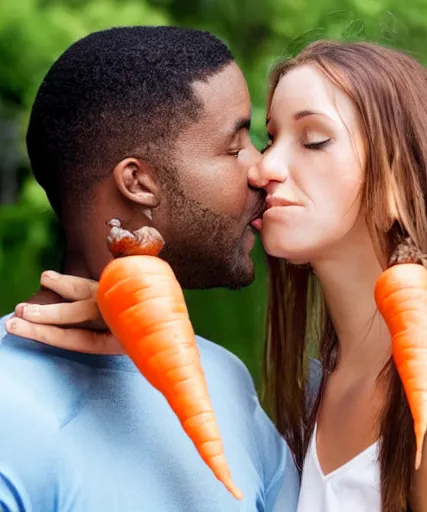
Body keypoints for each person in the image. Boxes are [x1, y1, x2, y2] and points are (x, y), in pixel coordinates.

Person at [16, 39, 427, 511]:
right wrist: (134, 320)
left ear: (399, 186)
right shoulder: (316, 387)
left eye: (314, 140)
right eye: (268, 138)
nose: (266, 167)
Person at [0, 26, 299, 511]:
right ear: (138, 183)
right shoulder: (10, 413)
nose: (260, 168)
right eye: (235, 145)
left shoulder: (226, 379)